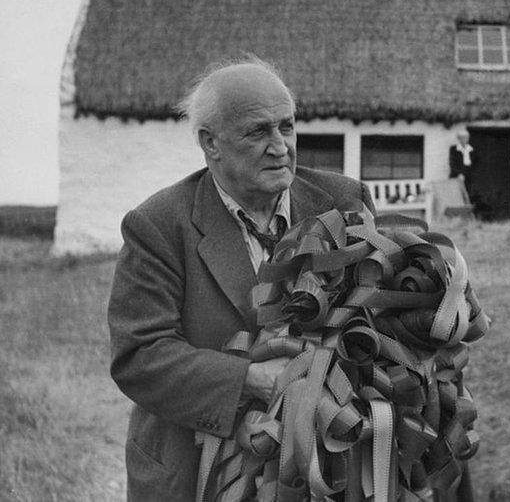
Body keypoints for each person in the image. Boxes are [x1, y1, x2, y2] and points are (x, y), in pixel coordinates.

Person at [107, 57, 374, 501]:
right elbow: (139, 356)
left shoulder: (344, 202)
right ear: (210, 144)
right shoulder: (158, 224)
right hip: (195, 473)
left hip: (323, 467)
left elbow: (378, 324)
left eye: (286, 127)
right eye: (258, 132)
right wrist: (252, 379)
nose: (280, 147)